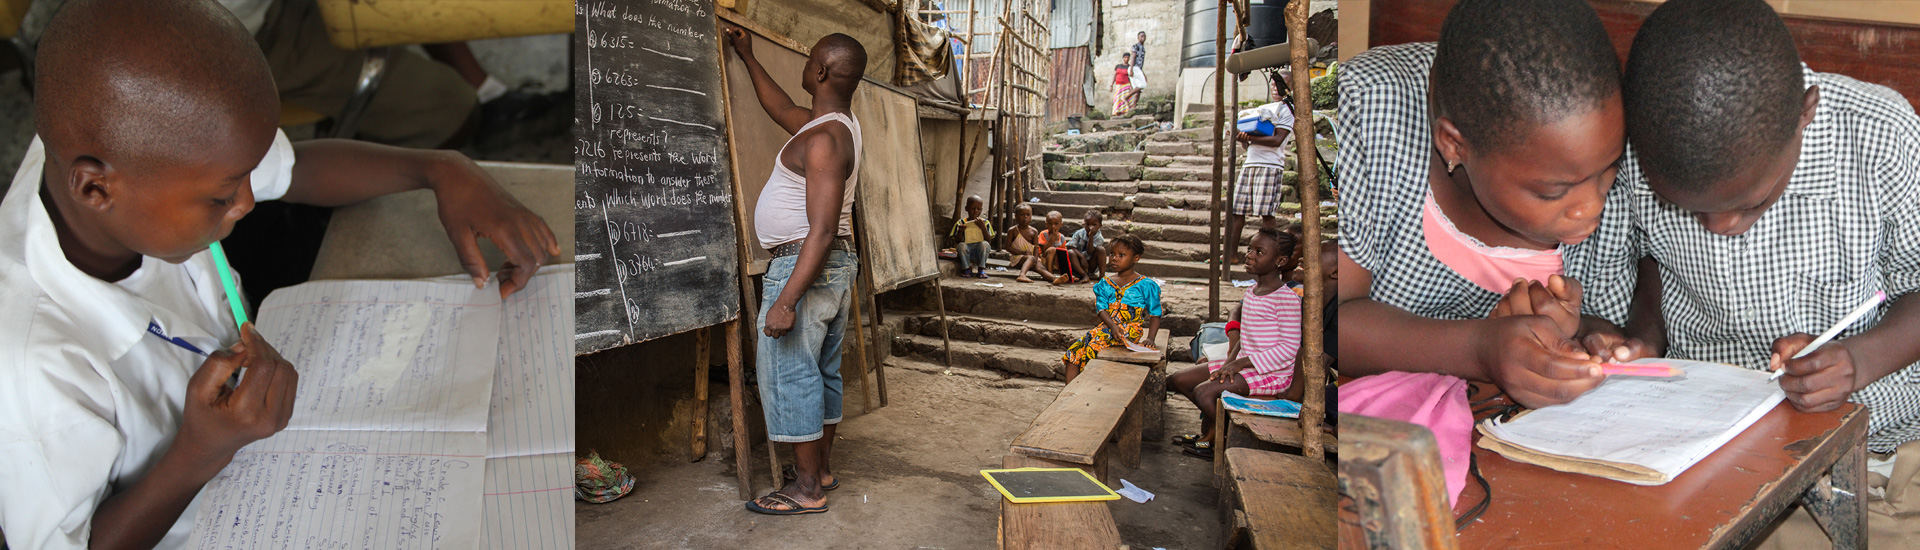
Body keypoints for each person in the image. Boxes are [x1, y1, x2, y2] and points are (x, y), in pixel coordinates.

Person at [0, 1, 560, 547]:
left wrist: (438, 169)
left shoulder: (124, 159)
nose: (247, 202)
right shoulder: (31, 370)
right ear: (95, 188)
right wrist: (200, 452)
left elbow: (290, 172)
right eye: (223, 195)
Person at [1577, 0, 1920, 456]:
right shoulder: (1633, 151)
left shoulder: (1880, 139)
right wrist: (1643, 341)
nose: (1722, 228)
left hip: (1874, 445)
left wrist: (1856, 360)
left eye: (1751, 202)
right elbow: (1645, 261)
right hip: (1704, 441)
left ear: (1805, 113)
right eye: (1688, 210)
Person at [1336, 0, 1640, 409]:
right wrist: (1480, 348)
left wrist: (1583, 337)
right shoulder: (1370, 109)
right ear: (1454, 144)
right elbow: (1336, 315)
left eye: (1609, 170)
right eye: (1552, 192)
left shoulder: (1604, 144)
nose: (1591, 206)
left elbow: (1605, 319)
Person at [726, 25, 868, 516]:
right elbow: (780, 106)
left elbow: (823, 228)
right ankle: (820, 470)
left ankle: (807, 489)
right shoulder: (829, 126)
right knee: (821, 370)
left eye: (809, 60)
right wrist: (747, 56)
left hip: (805, 265)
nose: (804, 65)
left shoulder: (826, 138)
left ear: (821, 71)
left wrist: (785, 299)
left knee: (790, 372)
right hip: (826, 269)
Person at [1169, 228, 1303, 459]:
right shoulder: (1253, 291)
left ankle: (1221, 438)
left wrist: (1240, 364)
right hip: (1247, 364)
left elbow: (1289, 348)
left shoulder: (1286, 298)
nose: (1250, 255)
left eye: (1259, 252)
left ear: (1280, 261)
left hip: (1273, 372)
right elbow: (1244, 337)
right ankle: (1216, 428)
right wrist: (1228, 363)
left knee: (1204, 393)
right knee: (1178, 380)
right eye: (1250, 249)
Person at [1061, 235, 1163, 382]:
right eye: (1112, 254)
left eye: (1121, 255)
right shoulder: (1105, 283)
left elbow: (1155, 314)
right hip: (1107, 328)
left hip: (1128, 331)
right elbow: (1101, 309)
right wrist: (1113, 326)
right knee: (1073, 351)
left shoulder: (1146, 285)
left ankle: (1085, 386)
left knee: (1093, 347)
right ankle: (1068, 395)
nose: (1114, 258)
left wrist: (1151, 338)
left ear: (1136, 258)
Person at [1226, 84, 1296, 266]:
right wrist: (1244, 138)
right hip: (1251, 163)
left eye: (1280, 84)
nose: (1275, 87)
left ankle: (1266, 258)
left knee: (1266, 214)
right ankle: (1231, 255)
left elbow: (1277, 140)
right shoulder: (1265, 109)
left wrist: (1248, 137)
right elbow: (1252, 144)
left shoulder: (1287, 110)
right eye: (1273, 84)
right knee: (1237, 212)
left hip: (1270, 165)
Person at [1006, 204, 1055, 283]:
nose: (1025, 217)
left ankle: (1054, 279)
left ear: (1031, 216)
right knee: (1031, 258)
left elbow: (1036, 247)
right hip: (1017, 258)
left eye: (1028, 215)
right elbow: (1008, 247)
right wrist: (1021, 253)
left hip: (1031, 258)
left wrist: (1035, 259)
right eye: (1021, 215)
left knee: (1040, 268)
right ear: (1016, 216)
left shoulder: (1034, 231)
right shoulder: (1012, 230)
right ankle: (1022, 275)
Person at [949, 195, 994, 278]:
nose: (975, 211)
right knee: (961, 246)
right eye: (972, 208)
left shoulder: (985, 223)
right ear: (966, 208)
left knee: (985, 244)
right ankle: (967, 269)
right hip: (967, 251)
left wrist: (983, 228)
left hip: (979, 251)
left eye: (978, 209)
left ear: (981, 210)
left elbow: (988, 240)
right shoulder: (960, 223)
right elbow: (957, 241)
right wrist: (960, 231)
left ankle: (981, 270)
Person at [1039, 210, 1085, 285]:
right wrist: (1050, 241)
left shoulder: (1062, 238)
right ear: (1046, 224)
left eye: (1056, 224)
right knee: (1052, 249)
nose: (1053, 226)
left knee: (1066, 254)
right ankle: (1050, 274)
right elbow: (1042, 250)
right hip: (1044, 259)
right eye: (1050, 224)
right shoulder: (1043, 234)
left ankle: (1067, 275)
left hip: (1056, 262)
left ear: (1061, 224)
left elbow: (1063, 254)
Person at [1066, 210, 1108, 281]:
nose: (1090, 227)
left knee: (1101, 249)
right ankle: (1084, 275)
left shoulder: (1099, 238)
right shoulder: (1079, 233)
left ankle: (1102, 276)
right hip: (1078, 264)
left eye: (1094, 225)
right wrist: (1082, 257)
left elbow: (1090, 251)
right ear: (1084, 224)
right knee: (1070, 252)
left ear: (1100, 226)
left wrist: (1091, 237)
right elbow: (1071, 246)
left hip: (1091, 265)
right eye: (1087, 224)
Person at [1113, 52, 1140, 117]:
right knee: (1118, 98)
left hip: (1126, 85)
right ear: (1123, 58)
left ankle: (1126, 112)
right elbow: (1115, 75)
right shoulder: (1118, 66)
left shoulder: (1129, 67)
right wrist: (1111, 84)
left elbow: (1130, 78)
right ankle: (1117, 112)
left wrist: (1131, 86)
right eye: (1125, 57)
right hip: (1119, 85)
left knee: (1126, 98)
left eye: (1128, 58)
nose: (1126, 59)